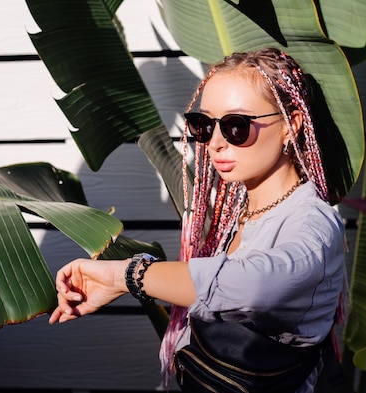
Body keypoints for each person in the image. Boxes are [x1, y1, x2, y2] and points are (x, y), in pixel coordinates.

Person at [49, 47, 346, 392]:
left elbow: (251, 285)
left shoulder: (313, 224)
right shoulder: (241, 213)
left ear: (290, 125)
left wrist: (125, 275)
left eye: (237, 126)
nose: (216, 143)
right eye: (203, 124)